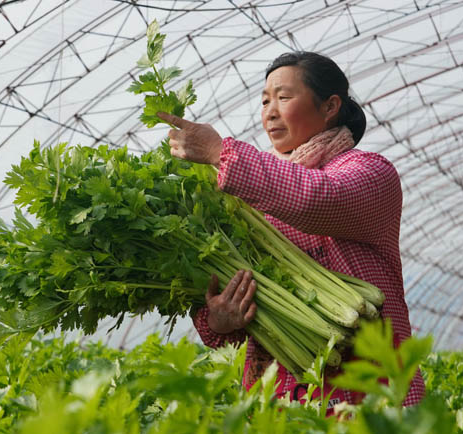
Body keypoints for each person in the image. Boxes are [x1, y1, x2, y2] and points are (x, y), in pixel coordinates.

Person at [156, 51, 425, 414]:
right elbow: (225, 306)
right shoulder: (240, 202)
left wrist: (222, 153)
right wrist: (219, 320)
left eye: (283, 97)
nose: (269, 110)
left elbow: (317, 198)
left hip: (374, 390)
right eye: (265, 100)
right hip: (281, 400)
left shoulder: (369, 174)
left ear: (330, 106)